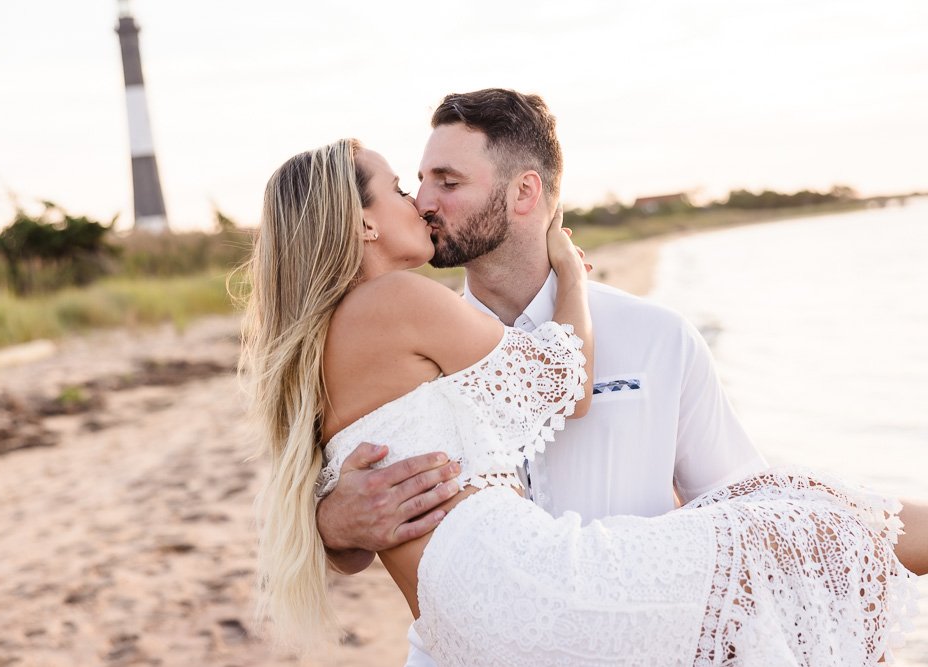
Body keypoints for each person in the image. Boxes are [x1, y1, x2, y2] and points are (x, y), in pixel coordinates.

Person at [240, 137, 924, 665]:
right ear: (362, 224)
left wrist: (328, 517)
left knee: (794, 508)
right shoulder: (394, 302)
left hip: (467, 618)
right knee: (809, 526)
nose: (418, 201)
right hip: (523, 583)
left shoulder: (323, 341)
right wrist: (568, 271)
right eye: (398, 187)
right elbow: (567, 383)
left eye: (437, 183)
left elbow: (343, 516)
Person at [316, 88, 766, 664]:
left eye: (447, 183)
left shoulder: (658, 336)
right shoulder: (404, 349)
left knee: (819, 523)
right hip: (458, 653)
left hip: (632, 644)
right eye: (418, 181)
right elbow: (325, 504)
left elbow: (734, 506)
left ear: (525, 192)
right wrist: (333, 522)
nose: (425, 201)